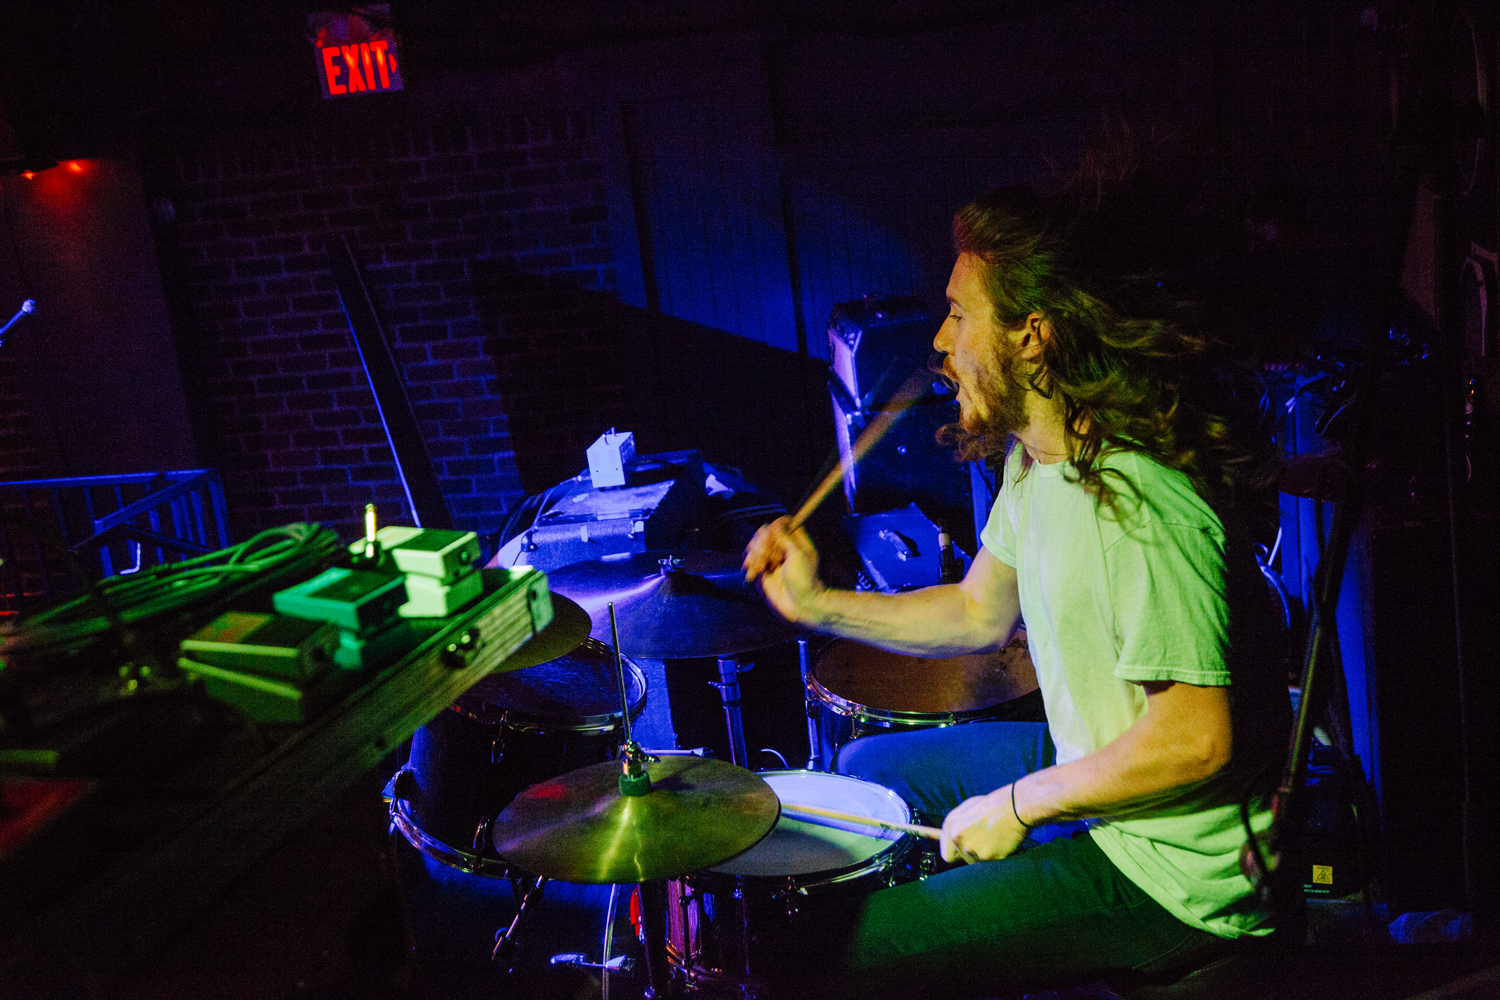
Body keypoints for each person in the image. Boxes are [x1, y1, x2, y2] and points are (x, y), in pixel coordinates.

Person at [742, 187, 1288, 997]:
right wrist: (818, 604)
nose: (939, 339)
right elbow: (976, 611)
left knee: (850, 948)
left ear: (1032, 338)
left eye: (961, 315)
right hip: (1099, 775)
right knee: (863, 771)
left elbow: (1197, 738)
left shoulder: (1140, 500)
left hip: (1174, 875)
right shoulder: (1035, 463)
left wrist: (1020, 807)